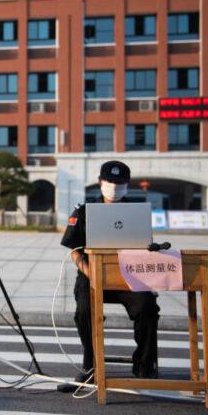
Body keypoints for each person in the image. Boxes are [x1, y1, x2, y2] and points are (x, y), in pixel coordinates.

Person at [58, 160, 159, 393]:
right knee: (84, 310)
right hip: (91, 274)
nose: (114, 186)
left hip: (128, 274)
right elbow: (74, 251)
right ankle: (90, 366)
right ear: (100, 181)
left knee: (148, 307)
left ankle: (144, 365)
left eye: (120, 182)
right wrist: (89, 272)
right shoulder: (84, 210)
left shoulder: (136, 213)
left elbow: (144, 246)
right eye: (110, 181)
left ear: (127, 185)